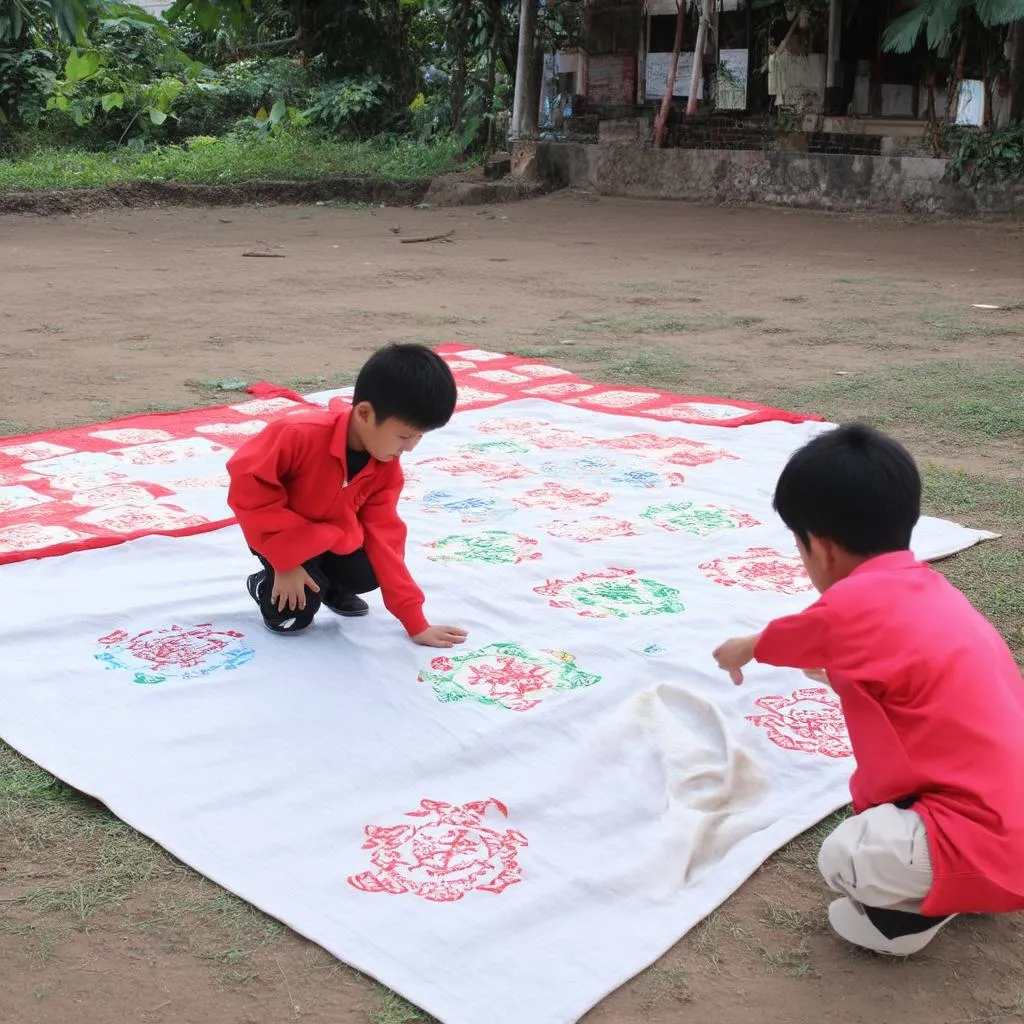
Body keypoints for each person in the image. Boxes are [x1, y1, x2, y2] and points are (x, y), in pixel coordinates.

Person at [713, 423, 1024, 955]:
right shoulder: (929, 590)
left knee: (850, 855)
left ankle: (910, 916)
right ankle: (960, 878)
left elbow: (788, 637)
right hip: (1007, 818)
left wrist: (738, 649)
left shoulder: (850, 606)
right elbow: (894, 674)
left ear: (822, 549)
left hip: (986, 842)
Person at [226, 342, 468, 649]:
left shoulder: (386, 468)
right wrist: (283, 562)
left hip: (331, 537)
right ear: (365, 414)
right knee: (290, 620)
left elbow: (385, 537)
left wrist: (415, 621)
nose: (410, 447)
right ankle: (264, 582)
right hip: (279, 536)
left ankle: (328, 585)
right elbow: (249, 489)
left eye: (420, 437)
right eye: (405, 436)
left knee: (370, 572)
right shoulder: (298, 434)